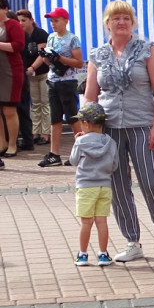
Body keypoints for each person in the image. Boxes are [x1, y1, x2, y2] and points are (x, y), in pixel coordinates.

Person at [83, 0, 154, 263]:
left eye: (126, 18)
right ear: (107, 23)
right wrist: (88, 128)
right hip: (109, 130)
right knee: (118, 187)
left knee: (152, 183)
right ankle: (132, 241)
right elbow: (89, 96)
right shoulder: (97, 55)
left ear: (133, 22)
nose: (121, 22)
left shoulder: (147, 49)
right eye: (115, 18)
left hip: (143, 125)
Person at [28, 7, 84, 168]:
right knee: (55, 118)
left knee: (72, 116)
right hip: (53, 80)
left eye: (56, 20)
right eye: (51, 21)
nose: (53, 24)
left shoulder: (72, 39)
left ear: (65, 21)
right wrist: (46, 57)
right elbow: (48, 62)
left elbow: (79, 62)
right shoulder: (51, 37)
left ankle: (82, 151)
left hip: (68, 82)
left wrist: (60, 58)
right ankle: (55, 154)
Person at [69, 101, 118, 267]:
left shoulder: (80, 142)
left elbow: (73, 161)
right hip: (104, 186)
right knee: (101, 221)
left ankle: (82, 255)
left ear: (86, 123)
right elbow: (115, 165)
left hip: (85, 186)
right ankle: (103, 254)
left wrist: (76, 142)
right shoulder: (110, 142)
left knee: (86, 222)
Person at [17, 10, 51, 151]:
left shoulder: (40, 33)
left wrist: (32, 67)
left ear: (31, 20)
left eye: (23, 20)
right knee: (35, 104)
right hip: (31, 76)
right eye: (19, 21)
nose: (21, 23)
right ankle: (35, 132)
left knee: (45, 103)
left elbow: (42, 55)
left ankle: (45, 134)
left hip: (43, 73)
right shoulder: (23, 35)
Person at [0, 0, 26, 167]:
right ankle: (1, 143)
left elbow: (18, 46)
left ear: (5, 8)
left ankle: (12, 144)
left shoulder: (13, 24)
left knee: (9, 109)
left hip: (10, 71)